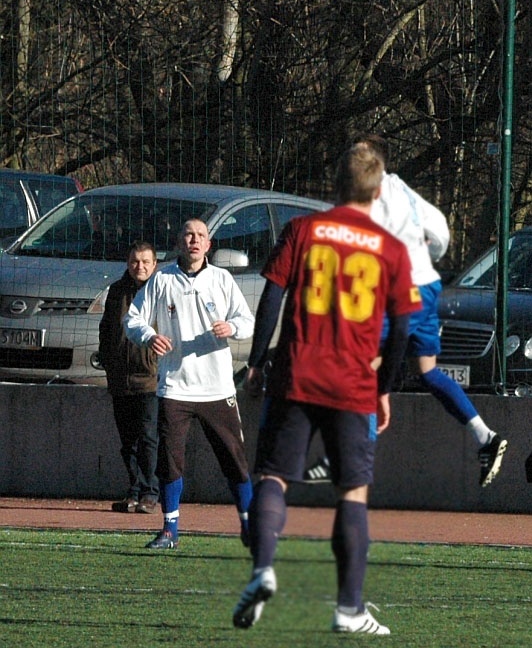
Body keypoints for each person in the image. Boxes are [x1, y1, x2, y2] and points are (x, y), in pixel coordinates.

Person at [232, 146, 422, 635]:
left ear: (335, 184)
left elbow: (272, 296)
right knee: (351, 493)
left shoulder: (302, 229)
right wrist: (385, 387)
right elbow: (402, 329)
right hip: (354, 383)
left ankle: (263, 570)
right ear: (378, 191)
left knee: (273, 477)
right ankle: (349, 609)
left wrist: (256, 364)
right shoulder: (392, 249)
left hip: (295, 372)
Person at [304, 134, 507, 488]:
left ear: (373, 161)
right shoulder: (404, 190)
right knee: (426, 371)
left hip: (399, 288)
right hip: (427, 284)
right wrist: (429, 256)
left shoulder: (376, 194)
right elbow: (440, 230)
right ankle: (484, 435)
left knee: (365, 364)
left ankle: (348, 457)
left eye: (359, 153)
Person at [123, 218, 255, 548]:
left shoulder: (222, 279)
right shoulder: (161, 279)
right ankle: (170, 530)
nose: (194, 240)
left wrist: (232, 328)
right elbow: (132, 320)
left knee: (234, 460)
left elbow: (246, 320)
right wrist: (149, 335)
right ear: (180, 242)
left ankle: (250, 525)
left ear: (209, 245)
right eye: (188, 235)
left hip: (217, 388)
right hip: (174, 388)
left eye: (200, 236)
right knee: (169, 461)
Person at [98, 240, 159, 514]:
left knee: (148, 438)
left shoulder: (161, 290)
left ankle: (150, 492)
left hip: (149, 379)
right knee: (128, 442)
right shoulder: (117, 291)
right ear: (127, 263)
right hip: (120, 380)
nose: (140, 267)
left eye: (146, 262)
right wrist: (108, 361)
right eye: (135, 261)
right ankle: (133, 490)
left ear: (154, 264)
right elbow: (106, 329)